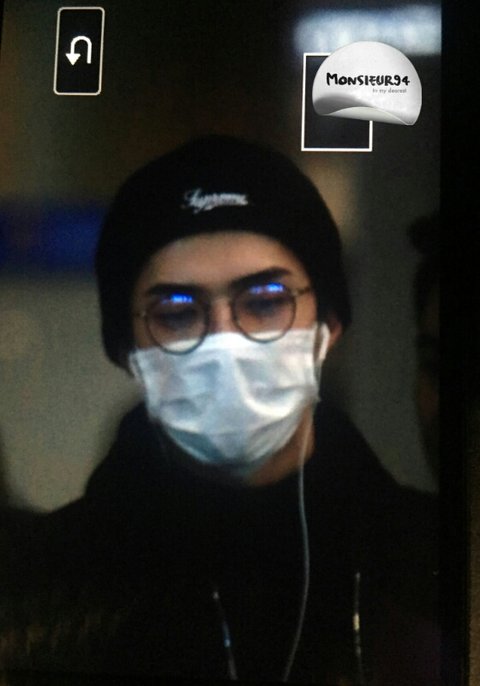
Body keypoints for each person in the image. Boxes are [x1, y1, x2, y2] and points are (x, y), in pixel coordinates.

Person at [0, 136, 439, 685]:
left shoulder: (436, 566)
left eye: (265, 302)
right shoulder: (38, 599)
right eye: (177, 313)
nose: (225, 342)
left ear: (328, 325)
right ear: (124, 349)